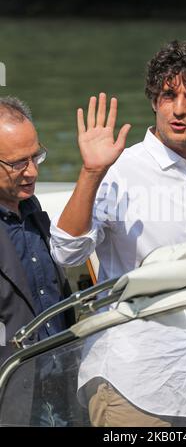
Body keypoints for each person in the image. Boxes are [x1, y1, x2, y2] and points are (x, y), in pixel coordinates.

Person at [50, 40, 186, 426]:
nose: (178, 109)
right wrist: (92, 173)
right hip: (132, 382)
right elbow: (66, 253)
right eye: (168, 95)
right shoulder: (120, 168)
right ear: (154, 101)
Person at [0, 96, 74, 425]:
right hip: (13, 402)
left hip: (61, 390)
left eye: (36, 155)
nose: (32, 171)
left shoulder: (33, 210)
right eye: (18, 162)